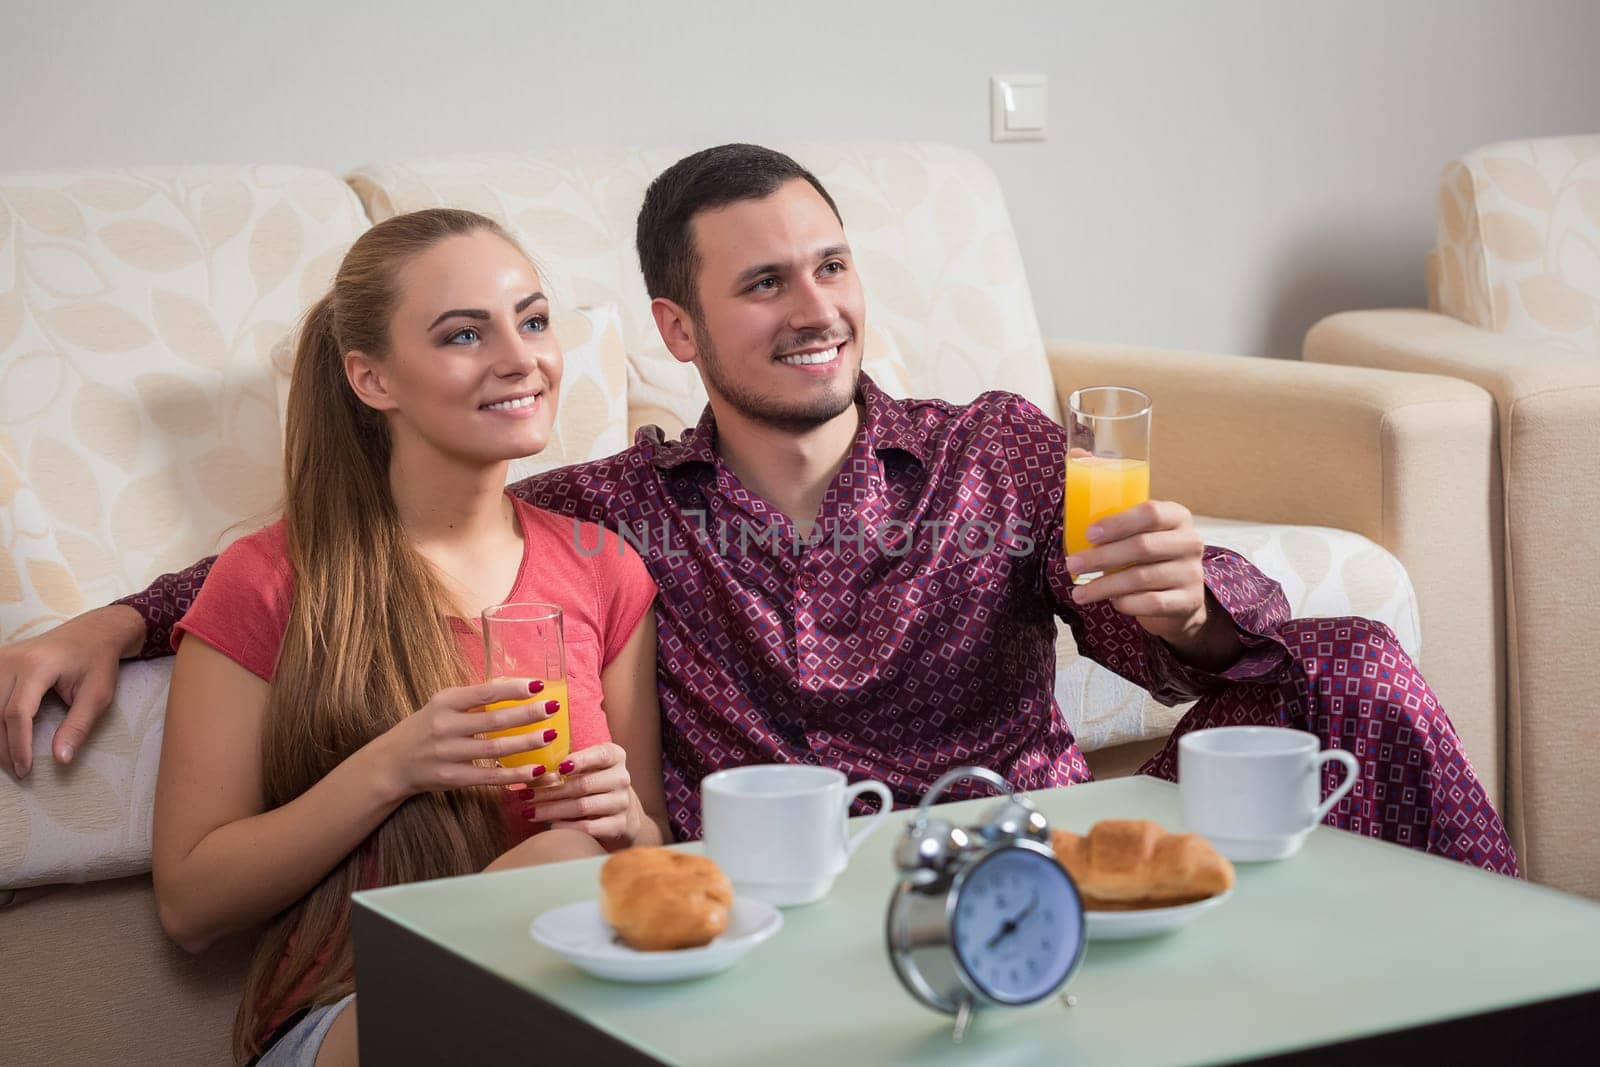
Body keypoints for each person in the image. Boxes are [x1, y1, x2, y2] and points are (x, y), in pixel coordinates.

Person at [0, 145, 1516, 878]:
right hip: (795, 895)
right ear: (678, 328)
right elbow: (375, 534)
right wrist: (126, 611)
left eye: (834, 265)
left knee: (1352, 662)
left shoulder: (997, 452)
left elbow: (1203, 658)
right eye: (766, 282)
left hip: (1035, 857)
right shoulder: (609, 516)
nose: (818, 309)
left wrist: (1191, 603)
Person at [148, 208, 668, 1064]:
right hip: (350, 1020)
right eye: (465, 334)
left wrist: (632, 824)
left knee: (573, 856)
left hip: (564, 1013)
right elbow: (190, 904)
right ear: (372, 378)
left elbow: (640, 864)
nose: (519, 358)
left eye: (533, 321)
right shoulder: (274, 578)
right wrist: (394, 765)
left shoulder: (603, 570)